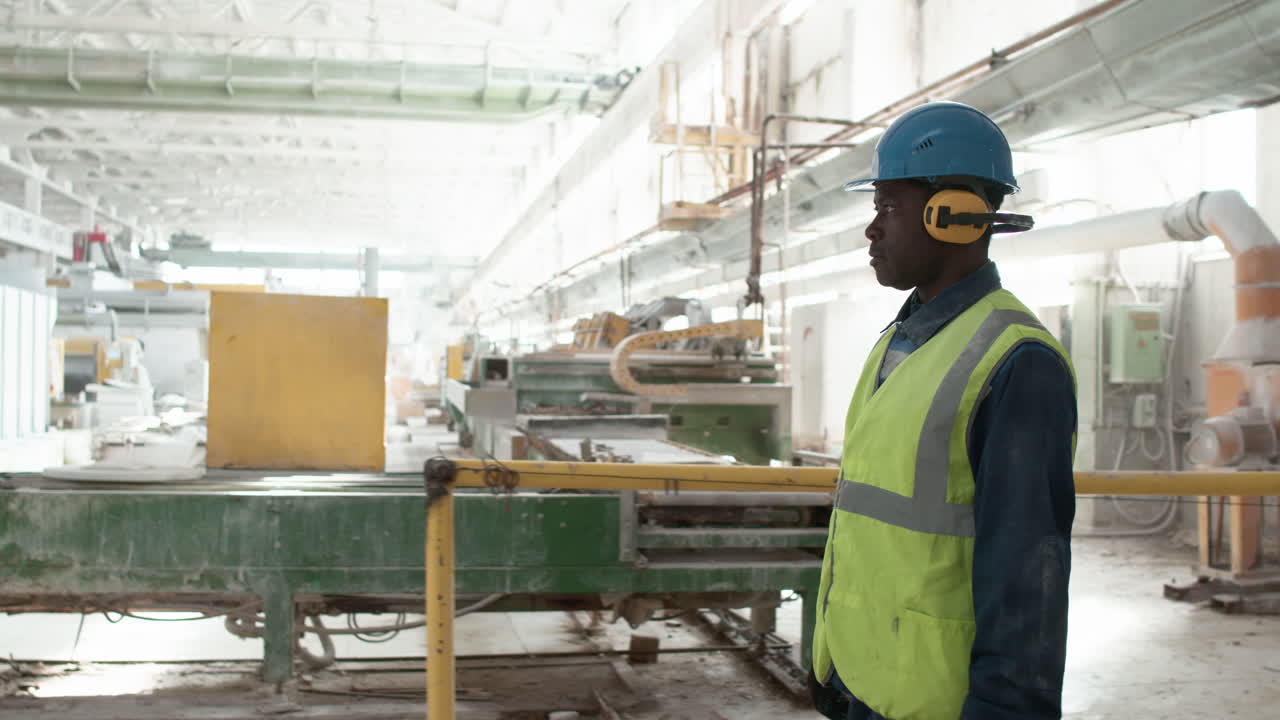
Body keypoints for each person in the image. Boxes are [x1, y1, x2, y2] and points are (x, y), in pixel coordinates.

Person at [809, 101, 1077, 720]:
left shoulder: (1017, 361)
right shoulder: (898, 342)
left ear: (953, 216)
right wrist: (829, 663)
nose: (872, 230)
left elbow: (1027, 574)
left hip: (935, 702)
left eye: (887, 208)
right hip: (865, 681)